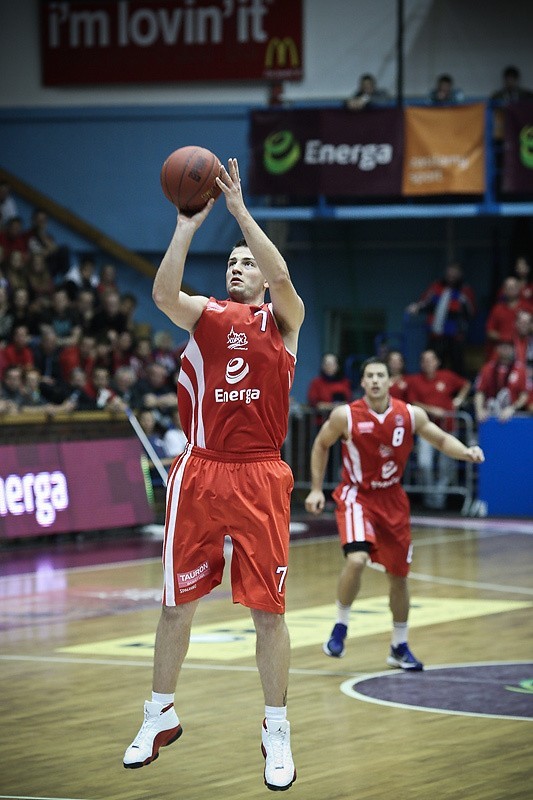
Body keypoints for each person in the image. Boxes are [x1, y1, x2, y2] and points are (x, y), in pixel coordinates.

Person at [123, 158, 304, 791]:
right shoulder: (204, 314)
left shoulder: (283, 322)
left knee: (267, 614)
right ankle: (158, 714)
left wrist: (240, 214)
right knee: (177, 604)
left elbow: (280, 273)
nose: (238, 265)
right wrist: (185, 223)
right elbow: (162, 296)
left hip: (259, 476)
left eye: (245, 260)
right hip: (200, 472)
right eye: (231, 260)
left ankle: (275, 728)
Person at [304, 356, 484, 668]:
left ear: (390, 381)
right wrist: (317, 488)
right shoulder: (345, 415)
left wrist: (465, 452)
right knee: (357, 559)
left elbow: (440, 439)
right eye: (369, 375)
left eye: (380, 375)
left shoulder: (410, 414)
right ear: (362, 382)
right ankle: (341, 624)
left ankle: (399, 646)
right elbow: (321, 444)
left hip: (393, 500)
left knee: (398, 578)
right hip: (357, 495)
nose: (374, 380)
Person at [408, 349, 471, 509]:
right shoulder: (416, 380)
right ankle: (430, 497)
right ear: (421, 363)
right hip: (426, 429)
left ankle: (439, 498)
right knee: (424, 463)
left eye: (431, 360)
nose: (428, 363)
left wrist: (458, 400)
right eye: (425, 360)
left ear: (437, 362)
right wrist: (431, 409)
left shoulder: (447, 376)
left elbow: (466, 384)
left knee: (446, 466)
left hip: (448, 427)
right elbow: (413, 402)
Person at [406, 262, 476, 376]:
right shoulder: (436, 287)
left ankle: (457, 392)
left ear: (460, 275)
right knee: (433, 363)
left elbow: (471, 311)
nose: (451, 276)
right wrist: (417, 308)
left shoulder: (465, 290)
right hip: (436, 335)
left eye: (454, 274)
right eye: (449, 273)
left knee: (457, 366)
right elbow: (425, 302)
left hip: (455, 336)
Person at [474, 341, 528, 423]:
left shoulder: (520, 370)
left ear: (513, 349)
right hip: (489, 416)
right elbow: (479, 392)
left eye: (508, 347)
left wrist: (512, 408)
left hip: (513, 417)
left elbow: (524, 396)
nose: (505, 349)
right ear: (497, 349)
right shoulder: (487, 368)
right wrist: (479, 410)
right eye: (502, 346)